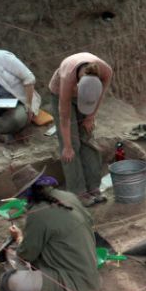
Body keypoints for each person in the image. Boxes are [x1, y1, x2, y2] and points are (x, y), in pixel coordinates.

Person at [0, 165, 102, 291]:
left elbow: (27, 255)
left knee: (6, 281)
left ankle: (10, 279)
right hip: (91, 271)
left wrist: (19, 238)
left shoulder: (37, 214)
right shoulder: (68, 196)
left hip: (71, 281)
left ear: (27, 194)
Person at [49, 53, 113, 207]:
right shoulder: (67, 78)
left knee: (87, 138)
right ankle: (78, 192)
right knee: (72, 145)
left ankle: (94, 187)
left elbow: (99, 96)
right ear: (78, 85)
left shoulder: (106, 71)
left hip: (87, 94)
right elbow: (65, 118)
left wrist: (90, 116)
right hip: (60, 95)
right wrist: (67, 146)